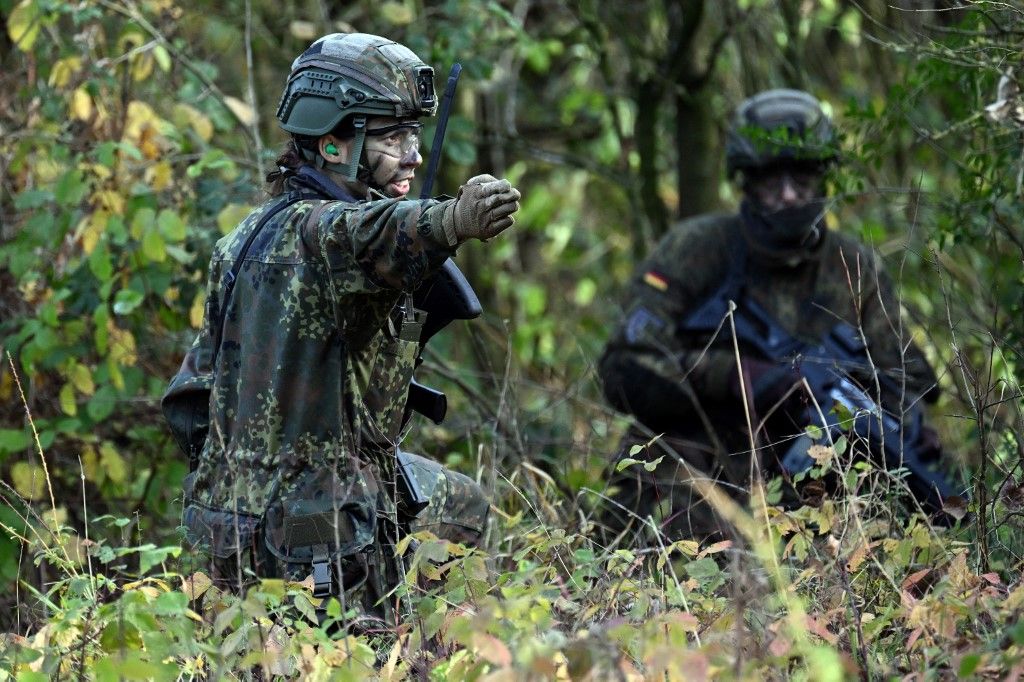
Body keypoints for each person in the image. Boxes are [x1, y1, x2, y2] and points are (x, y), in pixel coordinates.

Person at [161, 33, 521, 626]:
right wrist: (455, 218)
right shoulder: (327, 234)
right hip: (315, 531)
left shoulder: (240, 240)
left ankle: (431, 645)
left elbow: (190, 404)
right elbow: (378, 233)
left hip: (225, 519)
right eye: (389, 137)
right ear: (332, 144)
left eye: (412, 135)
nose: (410, 155)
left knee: (460, 502)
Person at [598, 88, 945, 542]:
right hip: (702, 477)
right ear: (744, 181)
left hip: (820, 491)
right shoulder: (697, 250)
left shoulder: (853, 266)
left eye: (801, 177)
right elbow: (625, 367)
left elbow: (910, 378)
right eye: (769, 179)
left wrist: (902, 427)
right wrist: (738, 376)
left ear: (822, 179)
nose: (787, 195)